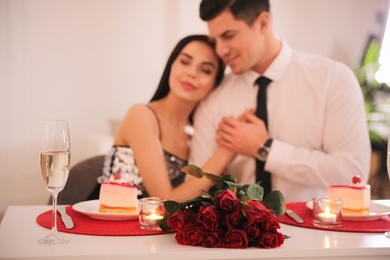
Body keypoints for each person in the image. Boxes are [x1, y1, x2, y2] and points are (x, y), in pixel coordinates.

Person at [189, 0, 371, 202]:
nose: (221, 51)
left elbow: (352, 173)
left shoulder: (333, 80)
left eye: (228, 36)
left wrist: (266, 148)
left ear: (263, 23)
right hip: (235, 232)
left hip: (318, 229)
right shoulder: (214, 97)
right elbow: (199, 186)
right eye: (215, 41)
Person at [90, 34, 235, 202]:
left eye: (206, 70)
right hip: (108, 222)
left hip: (157, 228)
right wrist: (227, 151)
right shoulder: (141, 115)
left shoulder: (195, 136)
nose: (191, 73)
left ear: (215, 84)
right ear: (171, 65)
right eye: (185, 62)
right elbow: (165, 202)